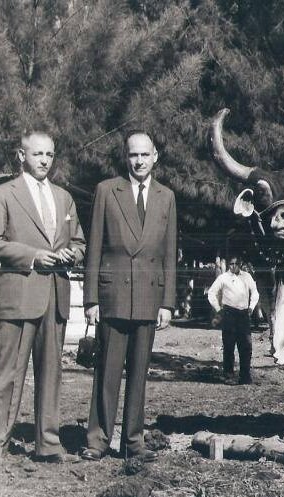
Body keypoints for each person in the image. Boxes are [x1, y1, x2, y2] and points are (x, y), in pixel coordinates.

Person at [0, 130, 86, 466]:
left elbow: (80, 242)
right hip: (20, 294)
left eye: (49, 155)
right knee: (7, 372)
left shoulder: (64, 197)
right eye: (37, 154)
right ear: (20, 155)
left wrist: (72, 255)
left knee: (51, 374)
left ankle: (48, 444)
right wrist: (34, 256)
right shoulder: (2, 194)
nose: (44, 161)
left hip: (55, 295)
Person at [82, 130, 177, 462]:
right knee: (106, 371)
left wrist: (168, 302)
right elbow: (93, 247)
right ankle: (98, 439)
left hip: (149, 298)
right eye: (133, 155)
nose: (139, 161)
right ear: (126, 158)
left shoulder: (167, 196)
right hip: (113, 295)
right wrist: (91, 298)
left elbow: (169, 253)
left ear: (155, 157)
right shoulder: (107, 191)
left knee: (139, 373)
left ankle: (132, 441)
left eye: (144, 155)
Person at [207, 255, 259, 384]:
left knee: (246, 346)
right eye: (231, 264)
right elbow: (211, 293)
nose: (234, 266)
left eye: (236, 263)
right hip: (229, 313)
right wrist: (218, 309)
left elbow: (255, 293)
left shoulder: (247, 277)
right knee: (229, 345)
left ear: (240, 264)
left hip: (243, 314)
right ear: (228, 264)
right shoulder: (223, 278)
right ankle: (228, 374)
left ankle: (245, 376)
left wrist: (251, 308)